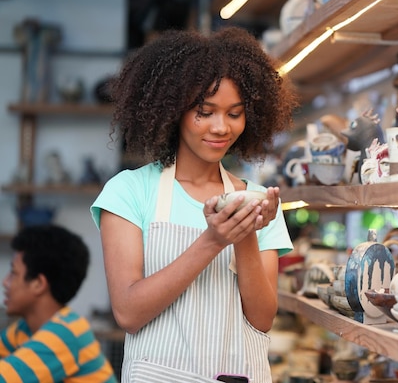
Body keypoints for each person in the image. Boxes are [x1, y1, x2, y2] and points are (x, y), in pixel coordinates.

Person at [90, 26, 299, 383]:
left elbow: (262, 319)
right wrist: (212, 241)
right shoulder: (129, 192)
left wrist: (245, 233)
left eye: (234, 113)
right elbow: (128, 312)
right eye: (205, 111)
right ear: (173, 111)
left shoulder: (257, 201)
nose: (221, 127)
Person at [0, 224, 118, 383]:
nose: (5, 282)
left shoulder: (66, 333)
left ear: (39, 283)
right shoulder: (23, 330)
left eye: (13, 273)